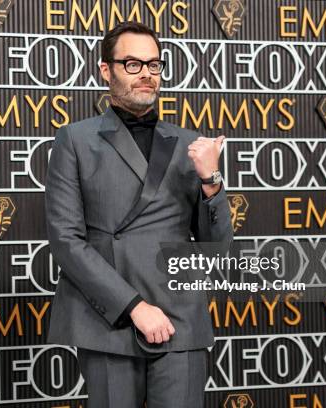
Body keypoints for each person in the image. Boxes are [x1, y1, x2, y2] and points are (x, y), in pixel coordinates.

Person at [44, 21, 233, 408]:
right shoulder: (75, 140)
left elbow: (216, 250)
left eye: (154, 64)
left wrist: (212, 182)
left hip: (180, 318)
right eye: (132, 64)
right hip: (110, 318)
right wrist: (133, 307)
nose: (146, 73)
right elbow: (66, 241)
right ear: (105, 70)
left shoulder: (189, 144)